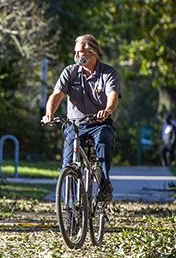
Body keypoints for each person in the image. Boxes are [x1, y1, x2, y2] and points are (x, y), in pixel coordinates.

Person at [41, 34, 121, 200]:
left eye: (81, 52)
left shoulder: (107, 73)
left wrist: (107, 110)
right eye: (75, 52)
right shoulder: (70, 72)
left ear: (93, 53)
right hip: (75, 124)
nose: (77, 56)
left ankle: (104, 185)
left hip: (99, 123)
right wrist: (49, 113)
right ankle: (69, 211)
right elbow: (56, 95)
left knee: (104, 140)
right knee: (67, 164)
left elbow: (112, 96)